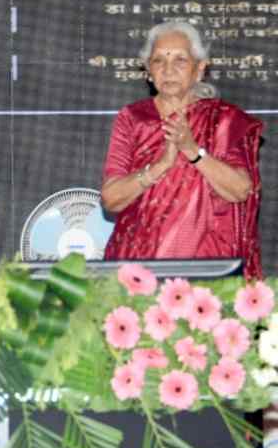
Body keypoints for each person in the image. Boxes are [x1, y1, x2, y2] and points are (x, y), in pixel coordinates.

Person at [101, 21, 262, 278]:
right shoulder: (133, 118)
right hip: (138, 269)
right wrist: (159, 167)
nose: (168, 70)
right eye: (158, 61)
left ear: (199, 69)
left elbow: (241, 189)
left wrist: (193, 151)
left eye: (180, 60)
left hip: (206, 272)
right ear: (148, 71)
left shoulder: (224, 120)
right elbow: (111, 198)